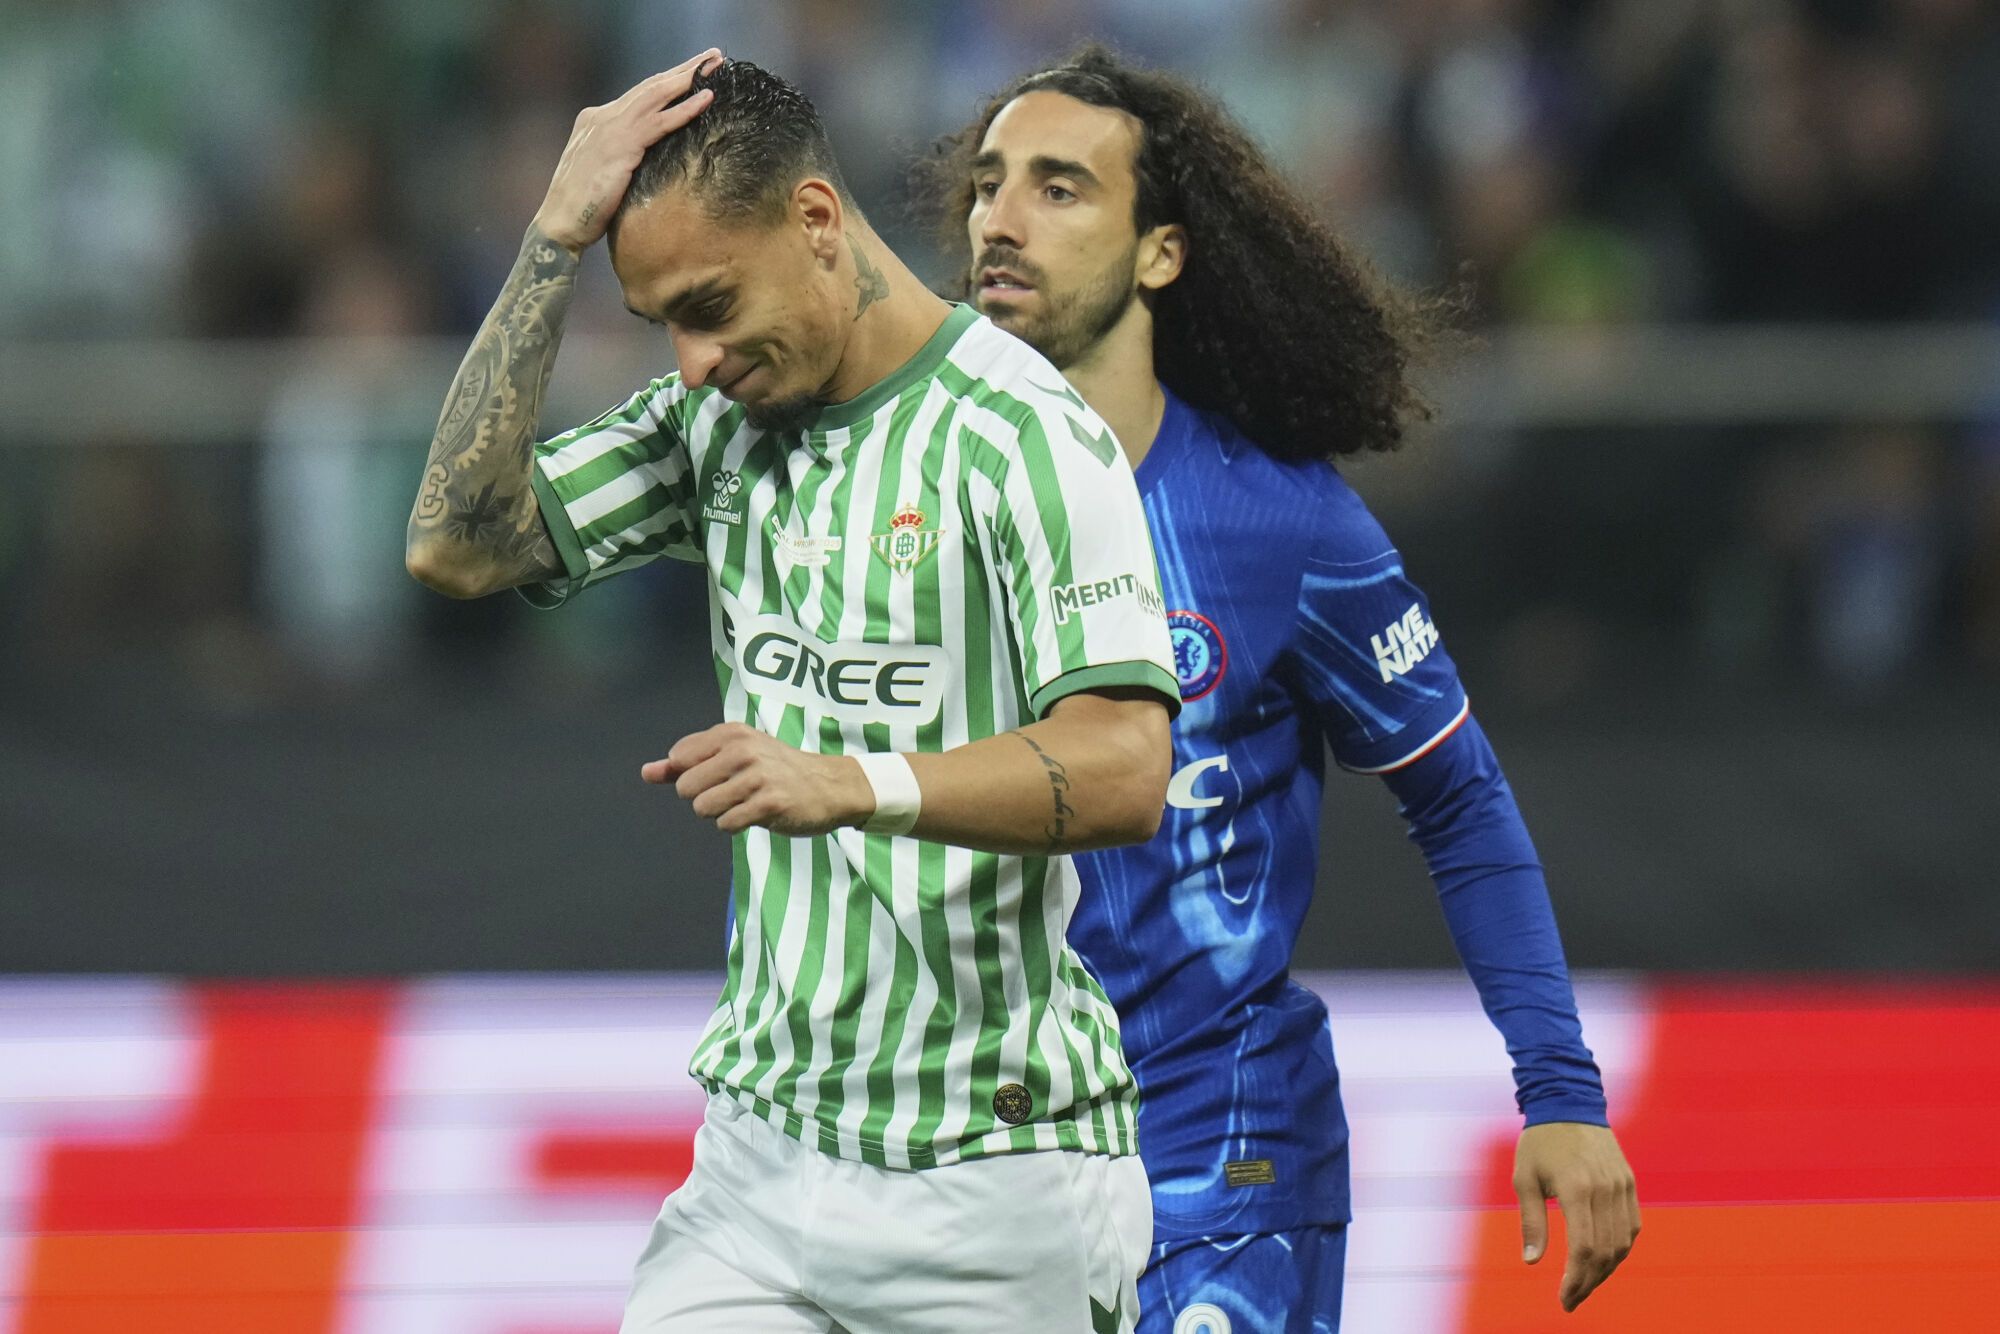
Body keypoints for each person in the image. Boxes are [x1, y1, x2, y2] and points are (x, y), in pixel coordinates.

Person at [407, 51, 1182, 1333]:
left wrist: (850, 783)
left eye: (710, 302)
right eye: (663, 321)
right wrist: (550, 241)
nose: (695, 359)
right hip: (757, 1169)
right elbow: (457, 542)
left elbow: (1121, 766)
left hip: (991, 1181)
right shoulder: (710, 424)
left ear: (817, 221)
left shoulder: (1023, 435)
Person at [914, 46, 1641, 1331]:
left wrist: (1561, 1091)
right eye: (986, 185)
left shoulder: (1276, 521)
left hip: (1221, 1160)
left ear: (1161, 254)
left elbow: (1458, 800)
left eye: (1058, 187)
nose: (1000, 218)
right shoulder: (902, 501)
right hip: (975, 1167)